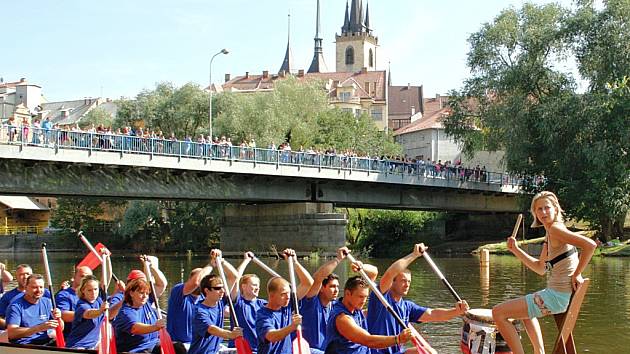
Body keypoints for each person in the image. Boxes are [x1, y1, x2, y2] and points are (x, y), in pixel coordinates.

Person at [492, 191, 597, 354]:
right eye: (539, 209)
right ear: (535, 213)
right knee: (525, 314)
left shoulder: (555, 229)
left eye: (547, 208)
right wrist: (516, 250)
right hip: (558, 295)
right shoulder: (551, 233)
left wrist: (577, 274)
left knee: (498, 313)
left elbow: (590, 245)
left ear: (556, 209)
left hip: (557, 297)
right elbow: (540, 268)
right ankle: (538, 352)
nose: (543, 212)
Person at [367, 244, 469, 354]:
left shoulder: (407, 306)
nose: (407, 285)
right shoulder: (380, 297)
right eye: (403, 281)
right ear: (392, 282)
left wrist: (457, 311)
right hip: (376, 352)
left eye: (409, 282)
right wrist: (414, 255)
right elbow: (390, 273)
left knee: (430, 352)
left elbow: (433, 314)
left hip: (397, 352)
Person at [323, 274, 413, 354]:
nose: (363, 301)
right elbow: (368, 341)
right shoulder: (342, 319)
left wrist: (360, 266)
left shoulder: (355, 308)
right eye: (360, 296)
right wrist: (398, 339)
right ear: (347, 293)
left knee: (416, 352)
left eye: (366, 297)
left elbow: (373, 272)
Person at [255, 248, 314, 354]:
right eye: (283, 294)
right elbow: (271, 336)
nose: (288, 297)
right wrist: (292, 326)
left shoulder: (288, 305)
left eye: (288, 293)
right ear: (271, 295)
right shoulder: (262, 315)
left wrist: (294, 262)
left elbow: (308, 283)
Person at [189, 250, 242, 354]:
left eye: (223, 288)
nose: (222, 291)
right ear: (207, 290)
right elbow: (212, 329)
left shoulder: (220, 302)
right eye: (218, 288)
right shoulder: (199, 311)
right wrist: (230, 334)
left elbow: (234, 277)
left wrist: (221, 261)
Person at [299, 247, 349, 353]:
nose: (336, 290)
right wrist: (338, 259)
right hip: (309, 350)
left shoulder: (336, 307)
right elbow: (318, 277)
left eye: (337, 287)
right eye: (332, 286)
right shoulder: (311, 302)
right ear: (321, 288)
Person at [166, 257, 213, 350]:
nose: (203, 284)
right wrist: (211, 264)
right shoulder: (178, 291)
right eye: (202, 280)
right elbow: (195, 282)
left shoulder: (206, 299)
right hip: (178, 346)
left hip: (198, 345)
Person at [5, 274, 63, 345]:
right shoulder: (15, 306)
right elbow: (11, 333)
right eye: (34, 287)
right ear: (26, 288)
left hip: (46, 341)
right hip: (26, 345)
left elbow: (60, 328)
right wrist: (39, 328)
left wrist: (59, 318)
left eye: (41, 287)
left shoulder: (47, 302)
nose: (39, 290)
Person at [228, 252, 268, 352]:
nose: (257, 287)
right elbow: (236, 279)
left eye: (258, 285)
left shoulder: (264, 304)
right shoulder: (237, 302)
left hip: (258, 349)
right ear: (244, 286)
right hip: (238, 349)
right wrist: (246, 260)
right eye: (254, 285)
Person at [113, 278, 164, 353]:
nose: (145, 296)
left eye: (147, 293)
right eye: (141, 293)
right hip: (136, 350)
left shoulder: (146, 303)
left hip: (153, 345)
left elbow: (161, 285)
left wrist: (152, 267)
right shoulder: (126, 312)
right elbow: (135, 328)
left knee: (178, 347)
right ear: (131, 293)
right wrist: (155, 327)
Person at [0, 264, 51, 329]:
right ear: (16, 277)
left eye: (28, 274)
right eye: (21, 274)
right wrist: (10, 323)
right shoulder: (8, 296)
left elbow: (54, 310)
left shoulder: (44, 292)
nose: (25, 277)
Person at [66, 274, 110, 349]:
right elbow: (89, 314)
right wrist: (100, 311)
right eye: (89, 290)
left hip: (94, 345)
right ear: (83, 290)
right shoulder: (81, 305)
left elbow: (107, 276)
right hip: (78, 345)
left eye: (95, 289)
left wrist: (106, 261)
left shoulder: (99, 300)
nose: (93, 293)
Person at [55, 265, 93, 336]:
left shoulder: (93, 293)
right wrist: (90, 314)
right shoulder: (64, 295)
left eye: (88, 278)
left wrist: (106, 259)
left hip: (90, 336)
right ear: (74, 277)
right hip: (72, 336)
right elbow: (63, 315)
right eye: (82, 276)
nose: (85, 279)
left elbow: (104, 283)